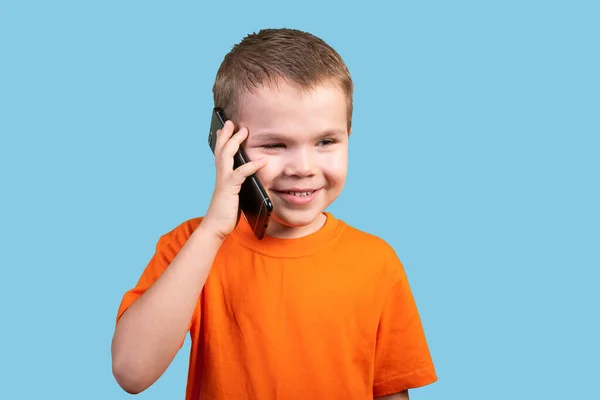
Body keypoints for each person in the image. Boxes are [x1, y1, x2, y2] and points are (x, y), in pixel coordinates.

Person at [111, 28, 437, 400]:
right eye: (276, 144)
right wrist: (213, 232)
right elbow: (131, 372)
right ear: (227, 145)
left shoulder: (378, 261)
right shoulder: (191, 247)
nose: (304, 167)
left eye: (326, 142)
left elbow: (391, 390)